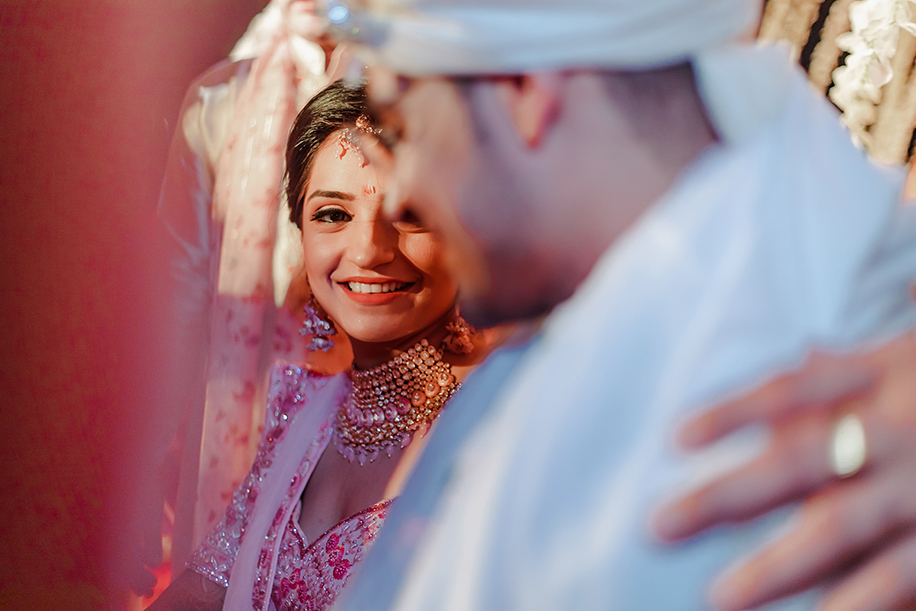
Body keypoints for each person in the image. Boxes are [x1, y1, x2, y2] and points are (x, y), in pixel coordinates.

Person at [314, 0, 916, 609]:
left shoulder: (727, 394)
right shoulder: (755, 250)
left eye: (402, 129)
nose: (399, 196)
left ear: (522, 88)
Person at [149, 79, 498, 611]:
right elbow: (203, 592)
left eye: (410, 214)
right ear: (301, 234)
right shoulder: (296, 408)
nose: (368, 250)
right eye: (333, 215)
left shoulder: (493, 425)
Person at [156, 0, 353, 572]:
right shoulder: (220, 100)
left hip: (373, 413)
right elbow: (178, 302)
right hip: (244, 414)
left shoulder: (417, 87)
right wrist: (144, 475)